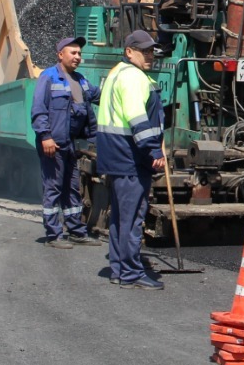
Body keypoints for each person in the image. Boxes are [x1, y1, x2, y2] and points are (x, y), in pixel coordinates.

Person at [96, 29, 167, 290]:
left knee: (120, 218)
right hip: (130, 158)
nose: (150, 56)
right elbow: (138, 119)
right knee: (132, 219)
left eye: (151, 51)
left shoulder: (116, 73)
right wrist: (154, 151)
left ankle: (119, 269)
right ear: (129, 51)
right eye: (144, 51)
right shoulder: (134, 78)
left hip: (116, 155)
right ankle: (130, 272)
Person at [31, 36, 100, 248]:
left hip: (69, 143)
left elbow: (101, 95)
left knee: (71, 188)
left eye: (79, 53)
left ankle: (77, 231)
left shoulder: (81, 80)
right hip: (53, 143)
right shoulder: (49, 77)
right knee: (53, 188)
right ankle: (53, 235)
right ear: (61, 55)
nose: (78, 57)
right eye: (73, 52)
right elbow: (38, 110)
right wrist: (45, 136)